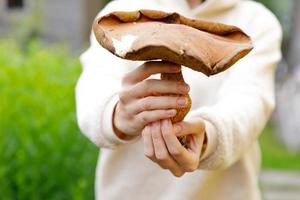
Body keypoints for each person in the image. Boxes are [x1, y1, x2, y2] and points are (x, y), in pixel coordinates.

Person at [75, 0, 282, 199]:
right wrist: (119, 115)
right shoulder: (121, 13)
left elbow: (250, 101)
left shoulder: (255, 21)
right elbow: (93, 92)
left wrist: (209, 134)